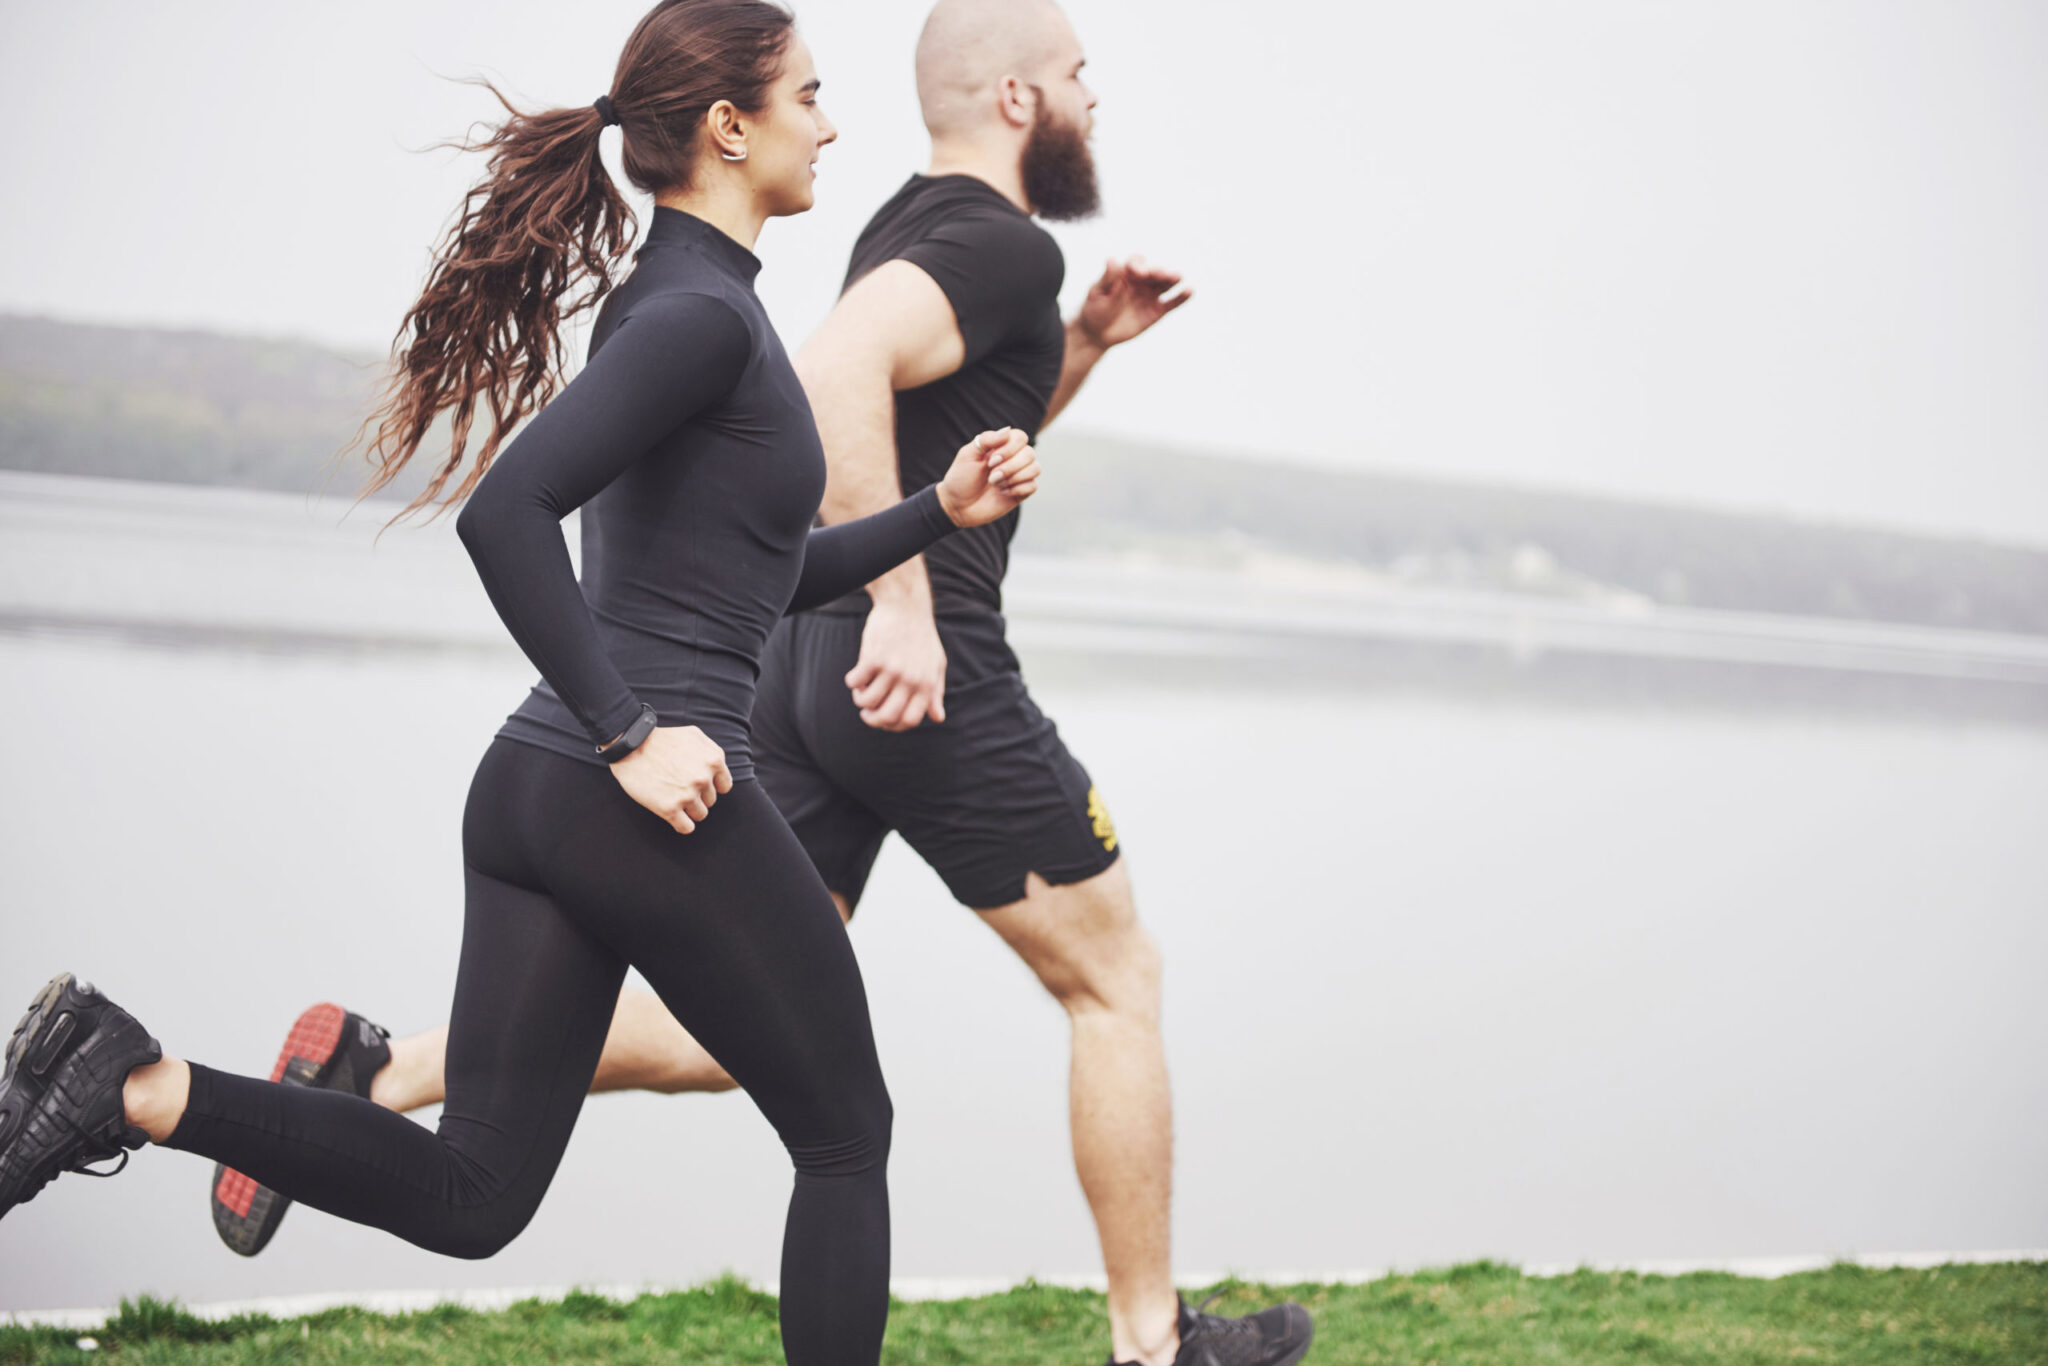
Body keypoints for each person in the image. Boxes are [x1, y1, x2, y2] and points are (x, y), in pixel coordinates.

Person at [206, 2, 1313, 1363]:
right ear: (1018, 98)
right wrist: (892, 612)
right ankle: (1155, 1344)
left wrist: (1062, 364)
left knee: (737, 1033)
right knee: (1107, 982)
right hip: (911, 675)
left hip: (776, 676)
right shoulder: (992, 243)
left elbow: (832, 472)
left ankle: (380, 1074)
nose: (1095, 96)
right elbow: (828, 378)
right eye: (1081, 74)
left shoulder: (891, 231)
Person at [0, 4, 1046, 1363]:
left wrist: (935, 512)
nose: (833, 124)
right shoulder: (699, 323)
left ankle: (128, 1080)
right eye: (810, 95)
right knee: (848, 1134)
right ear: (731, 128)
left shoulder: (687, 309)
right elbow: (506, 514)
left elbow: (761, 574)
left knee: (474, 1192)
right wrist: (633, 734)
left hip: (540, 796)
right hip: (638, 791)